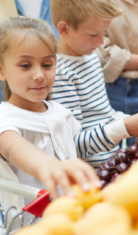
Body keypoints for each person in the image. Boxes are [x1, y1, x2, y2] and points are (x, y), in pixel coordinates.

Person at [0, 17, 101, 209]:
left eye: (47, 65)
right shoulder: (4, 118)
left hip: (73, 213)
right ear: (1, 70)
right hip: (31, 224)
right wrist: (47, 165)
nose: (39, 75)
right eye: (25, 65)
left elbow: (78, 146)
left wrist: (123, 128)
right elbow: (13, 147)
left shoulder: (60, 112)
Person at [50, 0, 138, 168]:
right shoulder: (60, 74)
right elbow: (72, 145)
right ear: (64, 29)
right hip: (89, 175)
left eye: (104, 33)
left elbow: (103, 114)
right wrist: (125, 128)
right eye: (94, 35)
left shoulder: (92, 58)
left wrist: (132, 120)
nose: (101, 42)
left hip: (111, 163)